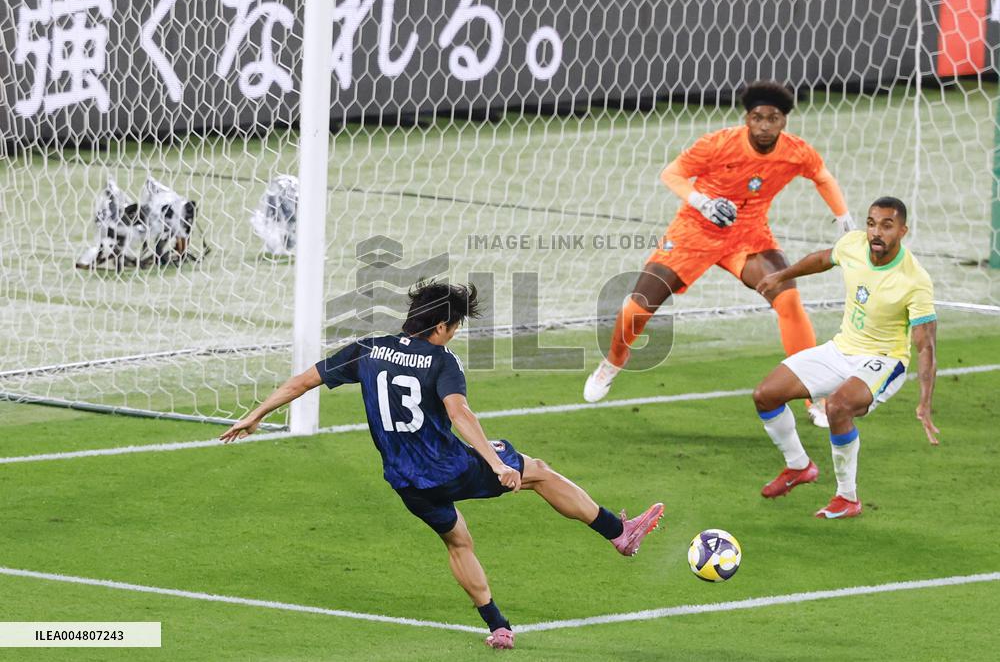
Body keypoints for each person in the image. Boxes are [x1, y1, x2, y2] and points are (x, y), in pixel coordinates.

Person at [220, 280, 664, 650]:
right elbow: (459, 414)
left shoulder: (367, 350)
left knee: (457, 541)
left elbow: (302, 381)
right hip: (451, 468)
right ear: (439, 326)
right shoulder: (441, 360)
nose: (454, 334)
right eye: (455, 327)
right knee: (539, 472)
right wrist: (496, 464)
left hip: (406, 482)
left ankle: (498, 627)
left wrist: (255, 415)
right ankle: (618, 532)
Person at [584, 81, 855, 429]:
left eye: (773, 118)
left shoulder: (796, 151)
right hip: (694, 233)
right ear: (747, 118)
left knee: (788, 300)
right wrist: (703, 202)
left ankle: (814, 396)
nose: (764, 126)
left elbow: (822, 176)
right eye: (757, 117)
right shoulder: (718, 144)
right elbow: (672, 173)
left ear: (784, 121)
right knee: (637, 307)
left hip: (749, 236)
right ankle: (613, 361)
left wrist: (844, 218)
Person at [751, 197, 939, 519]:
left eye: (887, 225)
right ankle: (799, 466)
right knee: (765, 395)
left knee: (837, 407)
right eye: (871, 223)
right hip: (841, 348)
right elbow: (821, 259)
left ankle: (847, 498)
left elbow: (926, 346)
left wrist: (924, 402)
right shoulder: (853, 244)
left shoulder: (914, 280)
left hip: (883, 359)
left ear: (903, 231)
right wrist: (781, 276)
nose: (876, 232)